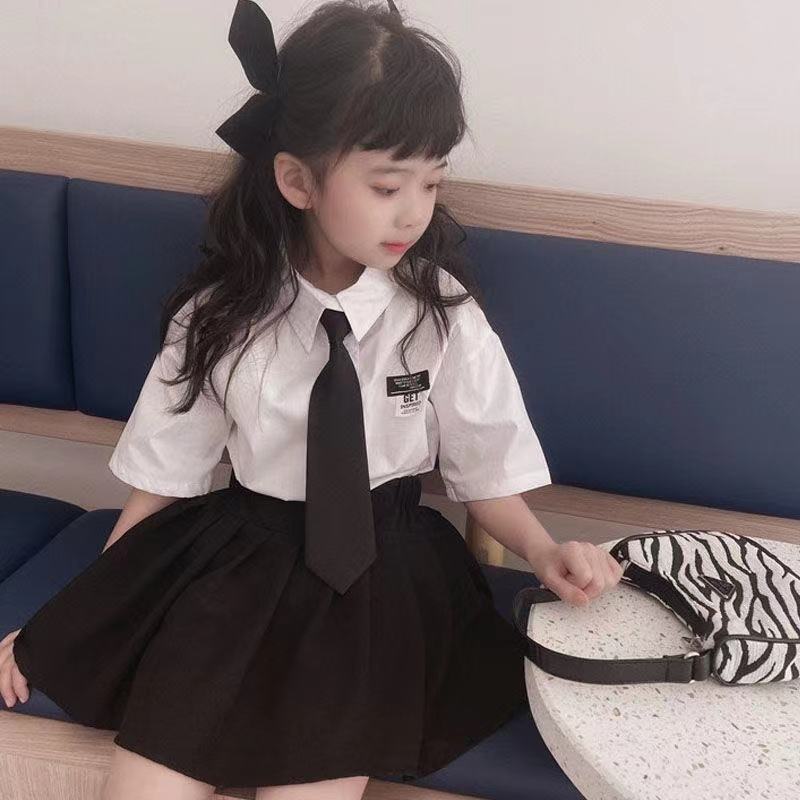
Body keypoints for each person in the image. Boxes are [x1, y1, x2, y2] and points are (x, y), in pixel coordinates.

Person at [0, 2, 623, 799]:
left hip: (380, 578)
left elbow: (485, 469)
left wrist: (542, 550)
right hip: (240, 567)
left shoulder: (440, 314)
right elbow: (163, 476)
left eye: (433, 181)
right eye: (388, 184)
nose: (415, 211)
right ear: (297, 180)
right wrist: (76, 624)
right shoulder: (221, 316)